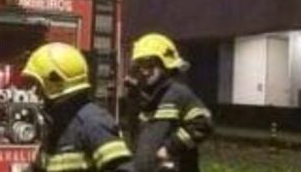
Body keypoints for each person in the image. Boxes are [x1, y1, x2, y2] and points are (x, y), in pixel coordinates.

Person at [22, 42, 133, 172]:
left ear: (55, 82)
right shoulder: (57, 125)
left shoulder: (94, 123)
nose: (35, 91)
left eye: (39, 84)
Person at [126, 34, 213, 172]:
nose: (144, 71)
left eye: (149, 64)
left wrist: (170, 148)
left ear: (165, 64)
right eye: (140, 65)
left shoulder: (179, 94)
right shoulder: (145, 99)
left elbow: (203, 123)